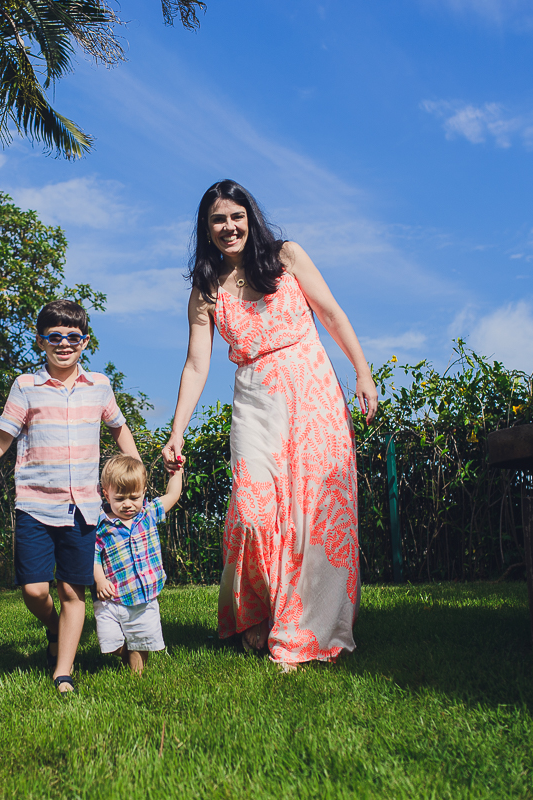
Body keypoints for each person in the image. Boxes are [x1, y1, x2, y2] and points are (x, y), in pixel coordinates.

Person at [161, 180, 377, 671]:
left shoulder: (286, 257)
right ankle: (259, 611)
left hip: (311, 389)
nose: (228, 227)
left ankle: (312, 629)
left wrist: (362, 373)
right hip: (254, 398)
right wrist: (177, 431)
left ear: (249, 218)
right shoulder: (206, 288)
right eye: (218, 220)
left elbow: (333, 314)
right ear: (206, 228)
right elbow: (196, 365)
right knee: (254, 512)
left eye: (236, 217)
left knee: (317, 515)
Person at [0, 300, 140, 693]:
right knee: (34, 589)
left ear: (84, 341)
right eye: (54, 337)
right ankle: (55, 629)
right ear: (41, 341)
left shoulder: (100, 386)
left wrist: (136, 466)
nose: (64, 344)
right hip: (36, 504)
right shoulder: (27, 386)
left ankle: (63, 672)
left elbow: (119, 428)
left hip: (83, 507)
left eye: (73, 337)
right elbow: (3, 438)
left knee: (73, 590)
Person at [92, 454, 183, 675]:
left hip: (144, 595)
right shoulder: (102, 524)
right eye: (120, 498)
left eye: (134, 497)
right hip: (111, 597)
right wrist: (100, 579)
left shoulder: (148, 514)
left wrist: (177, 472)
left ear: (143, 492)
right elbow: (92, 555)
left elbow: (173, 494)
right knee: (110, 642)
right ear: (106, 494)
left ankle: (136, 679)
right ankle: (123, 653)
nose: (128, 504)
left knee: (141, 641)